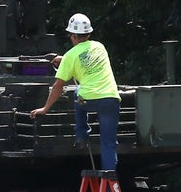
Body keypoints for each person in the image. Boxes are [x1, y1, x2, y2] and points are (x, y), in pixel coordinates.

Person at [30, 13, 121, 170]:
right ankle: (109, 184)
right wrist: (63, 59)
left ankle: (81, 135)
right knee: (108, 143)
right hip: (111, 99)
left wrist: (45, 109)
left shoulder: (70, 57)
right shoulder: (100, 47)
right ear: (89, 33)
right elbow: (86, 55)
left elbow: (58, 86)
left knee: (77, 92)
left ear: (72, 36)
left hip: (89, 100)